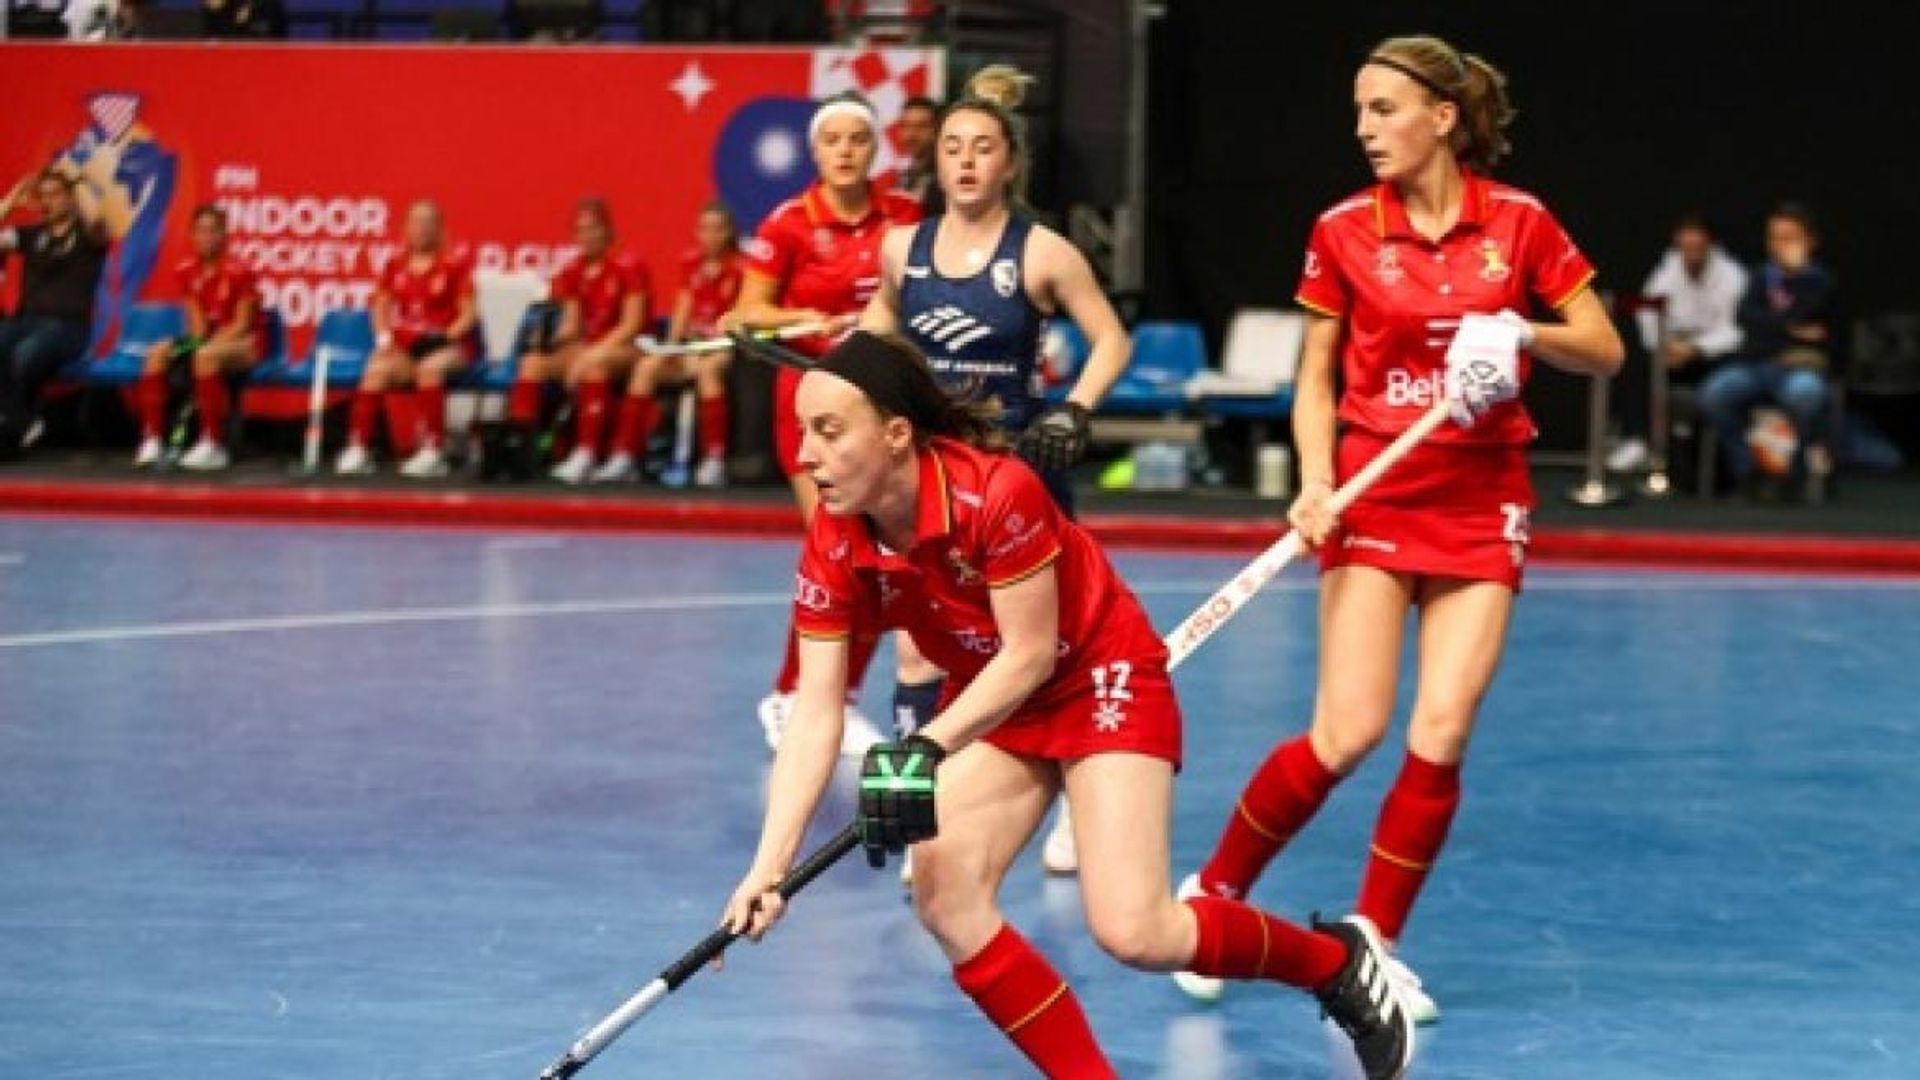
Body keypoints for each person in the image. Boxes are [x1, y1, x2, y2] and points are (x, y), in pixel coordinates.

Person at [719, 329, 1416, 1080]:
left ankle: (1334, 963)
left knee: (1135, 931)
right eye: (802, 432)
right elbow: (816, 709)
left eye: (828, 431)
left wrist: (926, 746)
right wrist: (768, 867)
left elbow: (1030, 653)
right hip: (995, 698)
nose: (805, 455)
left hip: (1094, 673)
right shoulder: (833, 538)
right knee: (945, 897)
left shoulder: (997, 493)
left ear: (895, 434)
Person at [1169, 35, 1624, 1023]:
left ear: (1442, 117)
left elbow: (1604, 347)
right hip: (1375, 495)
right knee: (1348, 731)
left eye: (1383, 109)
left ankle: (1371, 942)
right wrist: (1314, 481)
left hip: (1482, 497)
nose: (1364, 129)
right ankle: (1212, 895)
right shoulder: (1342, 229)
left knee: (1442, 729)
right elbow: (1314, 375)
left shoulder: (1521, 222)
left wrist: (1524, 332)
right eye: (1359, 111)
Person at [860, 64, 1131, 877]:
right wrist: (844, 370)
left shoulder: (1041, 252)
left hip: (1016, 478)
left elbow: (1111, 340)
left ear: (1009, 161)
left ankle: (1077, 802)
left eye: (983, 147)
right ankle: (921, 816)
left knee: (1049, 651)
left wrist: (1073, 410)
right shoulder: (902, 249)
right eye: (952, 148)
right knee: (919, 652)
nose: (967, 161)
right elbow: (876, 338)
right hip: (928, 479)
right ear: (935, 161)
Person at [725, 91, 922, 754]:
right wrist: (804, 319)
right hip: (813, 401)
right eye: (832, 140)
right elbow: (743, 313)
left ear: (874, 149)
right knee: (845, 549)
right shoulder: (788, 223)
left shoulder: (904, 216)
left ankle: (829, 699)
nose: (845, 151)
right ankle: (795, 697)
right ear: (815, 151)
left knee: (883, 556)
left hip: (883, 401)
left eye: (857, 139)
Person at [1696, 203, 1836, 496]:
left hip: (1800, 369)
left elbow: (1811, 315)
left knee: (1805, 395)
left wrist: (1796, 280)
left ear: (1810, 241)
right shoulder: (1760, 276)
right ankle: (1749, 469)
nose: (1780, 245)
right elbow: (1744, 317)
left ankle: (1794, 473)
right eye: (1774, 237)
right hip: (1756, 364)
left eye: (1789, 238)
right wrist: (1790, 329)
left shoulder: (1820, 280)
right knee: (1714, 394)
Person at [595, 201, 739, 487]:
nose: (710, 236)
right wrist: (671, 347)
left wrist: (713, 342)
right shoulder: (691, 265)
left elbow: (741, 317)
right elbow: (682, 311)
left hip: (725, 347)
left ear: (729, 232)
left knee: (708, 370)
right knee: (647, 367)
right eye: (704, 229)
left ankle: (714, 459)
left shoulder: (742, 267)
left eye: (717, 229)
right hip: (691, 346)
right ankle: (625, 456)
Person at [335, 201, 476, 478]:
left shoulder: (454, 266)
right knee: (375, 370)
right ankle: (358, 449)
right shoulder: (394, 265)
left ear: (439, 229)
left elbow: (469, 315)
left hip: (447, 346)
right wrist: (384, 339)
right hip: (407, 347)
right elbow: (380, 307)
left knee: (429, 369)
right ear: (406, 229)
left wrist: (444, 338)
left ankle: (433, 452)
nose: (420, 229)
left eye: (427, 223)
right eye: (415, 223)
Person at [521, 199, 651, 485]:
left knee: (594, 366)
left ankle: (586, 454)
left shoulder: (628, 266)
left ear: (607, 230)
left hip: (628, 347)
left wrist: (591, 354)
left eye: (593, 229)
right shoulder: (572, 271)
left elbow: (631, 325)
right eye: (580, 230)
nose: (587, 236)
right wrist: (549, 339)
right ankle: (524, 450)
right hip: (588, 348)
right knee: (532, 364)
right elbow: (573, 325)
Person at [1609, 213, 1748, 472]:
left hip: (1712, 356)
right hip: (1672, 353)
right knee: (1637, 366)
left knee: (1732, 369)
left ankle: (1719, 458)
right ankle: (1638, 439)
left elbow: (1734, 330)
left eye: (1697, 240)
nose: (1691, 246)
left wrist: (1697, 349)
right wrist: (1664, 347)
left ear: (1709, 242)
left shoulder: (1732, 276)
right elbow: (1648, 317)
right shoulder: (1666, 273)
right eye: (1686, 239)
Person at [132, 204, 265, 471]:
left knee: (205, 355)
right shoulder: (186, 271)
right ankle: (152, 440)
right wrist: (186, 346)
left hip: (245, 344)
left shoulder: (240, 271)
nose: (206, 237)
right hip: (209, 341)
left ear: (224, 234)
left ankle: (212, 445)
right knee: (156, 352)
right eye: (200, 231)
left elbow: (242, 325)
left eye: (213, 230)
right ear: (192, 235)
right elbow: (199, 328)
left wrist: (208, 346)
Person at [0, 170, 109, 453]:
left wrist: (79, 183)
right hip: (26, 321)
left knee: (26, 354)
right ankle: (22, 421)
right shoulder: (30, 234)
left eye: (56, 194)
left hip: (70, 328)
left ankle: (15, 422)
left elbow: (98, 222)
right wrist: (12, 199)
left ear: (71, 199)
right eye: (44, 195)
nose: (49, 201)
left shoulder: (87, 237)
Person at [893, 94, 940, 207]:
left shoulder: (946, 177)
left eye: (921, 126)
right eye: (906, 126)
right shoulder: (905, 175)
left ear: (937, 130)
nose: (911, 135)